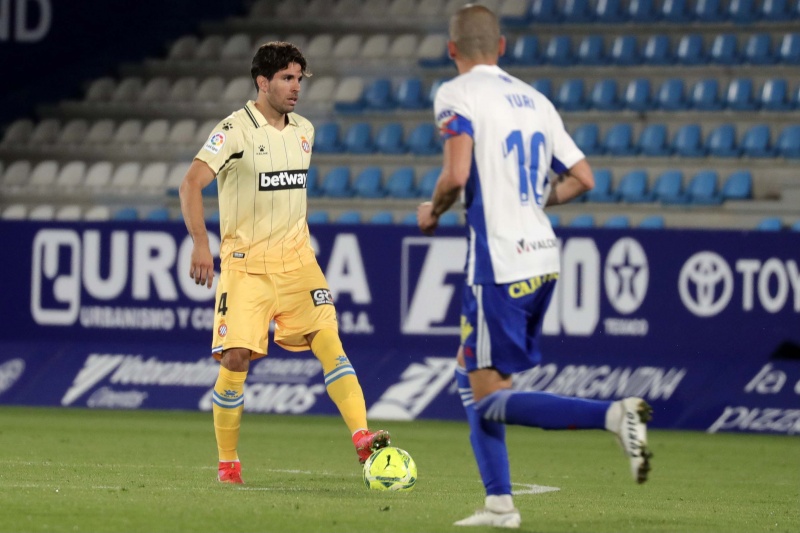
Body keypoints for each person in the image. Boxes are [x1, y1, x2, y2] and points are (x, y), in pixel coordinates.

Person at [417, 5, 653, 529]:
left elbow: (456, 175)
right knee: (469, 374)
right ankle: (500, 505)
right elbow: (584, 177)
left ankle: (614, 415)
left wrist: (432, 212)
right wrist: (527, 201)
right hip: (542, 257)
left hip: (498, 263)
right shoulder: (536, 100)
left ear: (451, 49)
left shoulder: (457, 93)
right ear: (501, 47)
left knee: (487, 398)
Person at [179, 41, 390, 485]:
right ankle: (228, 463)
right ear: (263, 82)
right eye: (286, 78)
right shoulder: (234, 131)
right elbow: (191, 183)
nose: (296, 87)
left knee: (328, 339)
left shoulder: (304, 131)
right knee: (236, 358)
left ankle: (361, 436)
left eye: (299, 79)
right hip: (246, 267)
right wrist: (200, 244)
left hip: (298, 263)